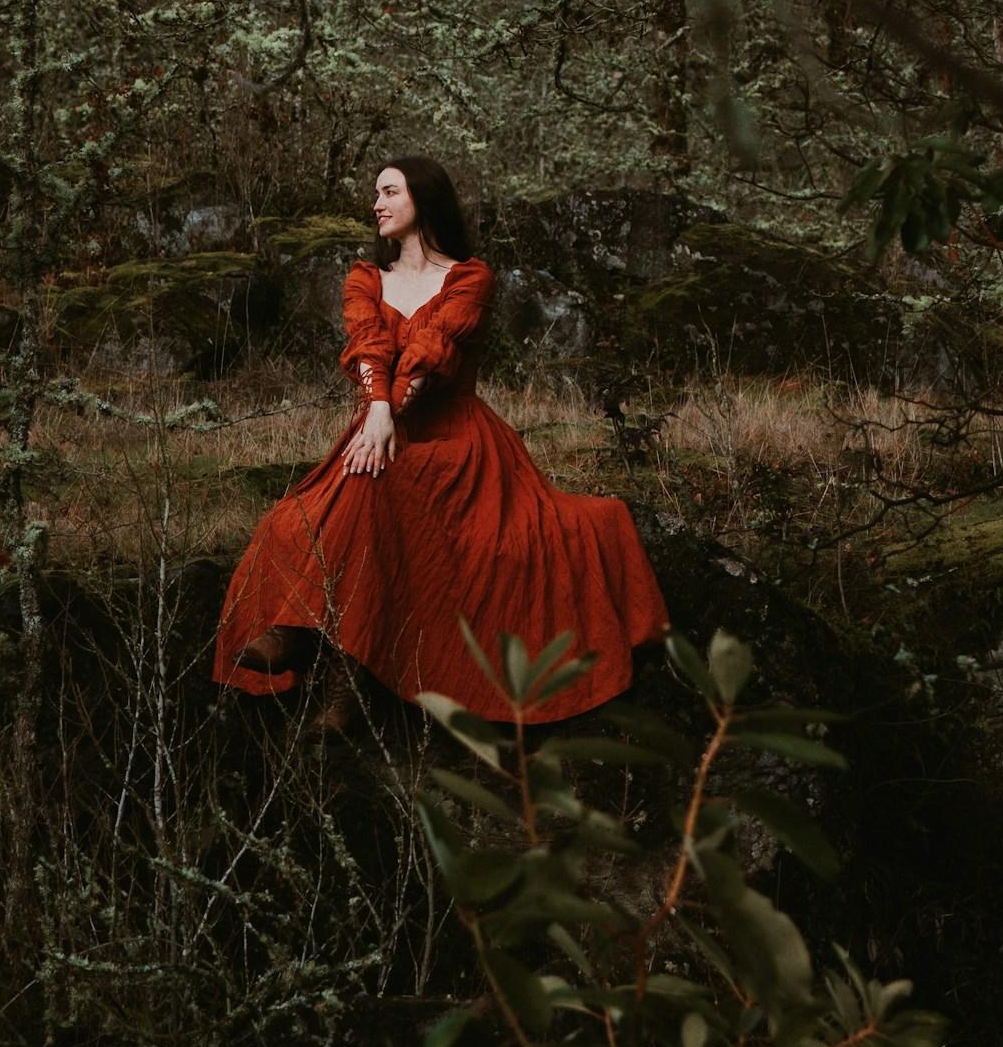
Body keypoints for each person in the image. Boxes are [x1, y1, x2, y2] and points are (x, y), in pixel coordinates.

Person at [213, 154, 670, 724]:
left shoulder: (470, 278)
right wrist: (379, 412)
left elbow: (430, 356)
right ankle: (317, 646)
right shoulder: (365, 278)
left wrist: (386, 413)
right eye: (376, 194)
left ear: (424, 198)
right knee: (289, 520)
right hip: (379, 430)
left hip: (457, 440)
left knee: (378, 483)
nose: (377, 204)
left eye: (389, 192)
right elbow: (368, 345)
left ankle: (330, 661)